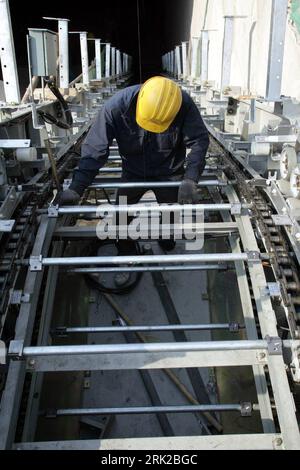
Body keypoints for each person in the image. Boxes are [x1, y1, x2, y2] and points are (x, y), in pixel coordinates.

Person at [57, 76, 209, 283]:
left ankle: (166, 237)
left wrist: (191, 178)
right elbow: (95, 149)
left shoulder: (183, 104)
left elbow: (199, 140)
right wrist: (77, 187)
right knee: (122, 214)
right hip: (133, 171)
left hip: (169, 170)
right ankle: (125, 246)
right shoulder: (115, 107)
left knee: (170, 212)